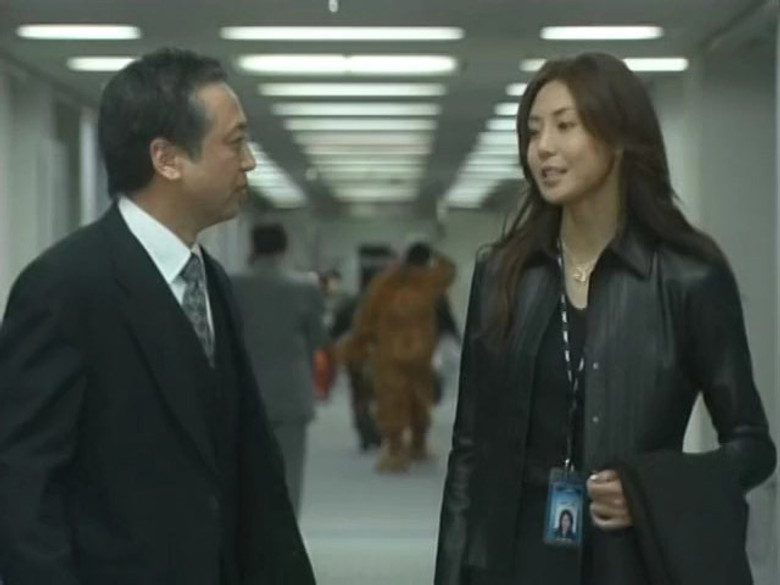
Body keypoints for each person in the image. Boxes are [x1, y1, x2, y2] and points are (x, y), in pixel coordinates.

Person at [434, 52, 776, 585]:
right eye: (533, 131)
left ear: (618, 137)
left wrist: (651, 490)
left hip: (632, 560)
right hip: (514, 559)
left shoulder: (687, 277)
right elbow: (470, 450)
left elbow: (753, 446)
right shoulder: (505, 272)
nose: (543, 147)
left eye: (564, 125)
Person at [0, 48, 315, 585]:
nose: (249, 162)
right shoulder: (65, 287)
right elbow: (23, 485)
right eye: (235, 142)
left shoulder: (212, 281)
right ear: (167, 159)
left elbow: (247, 468)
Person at [231, 223, 326, 517]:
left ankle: (248, 531)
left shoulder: (231, 284)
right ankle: (286, 530)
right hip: (291, 391)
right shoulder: (305, 288)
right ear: (284, 248)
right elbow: (317, 340)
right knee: (289, 470)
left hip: (244, 391)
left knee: (245, 471)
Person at [346, 242, 455, 472]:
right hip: (421, 354)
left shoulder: (385, 283)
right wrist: (438, 255)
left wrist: (358, 346)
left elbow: (367, 317)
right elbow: (449, 272)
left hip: (390, 353)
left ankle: (395, 450)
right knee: (420, 400)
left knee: (391, 401)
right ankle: (418, 445)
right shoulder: (429, 281)